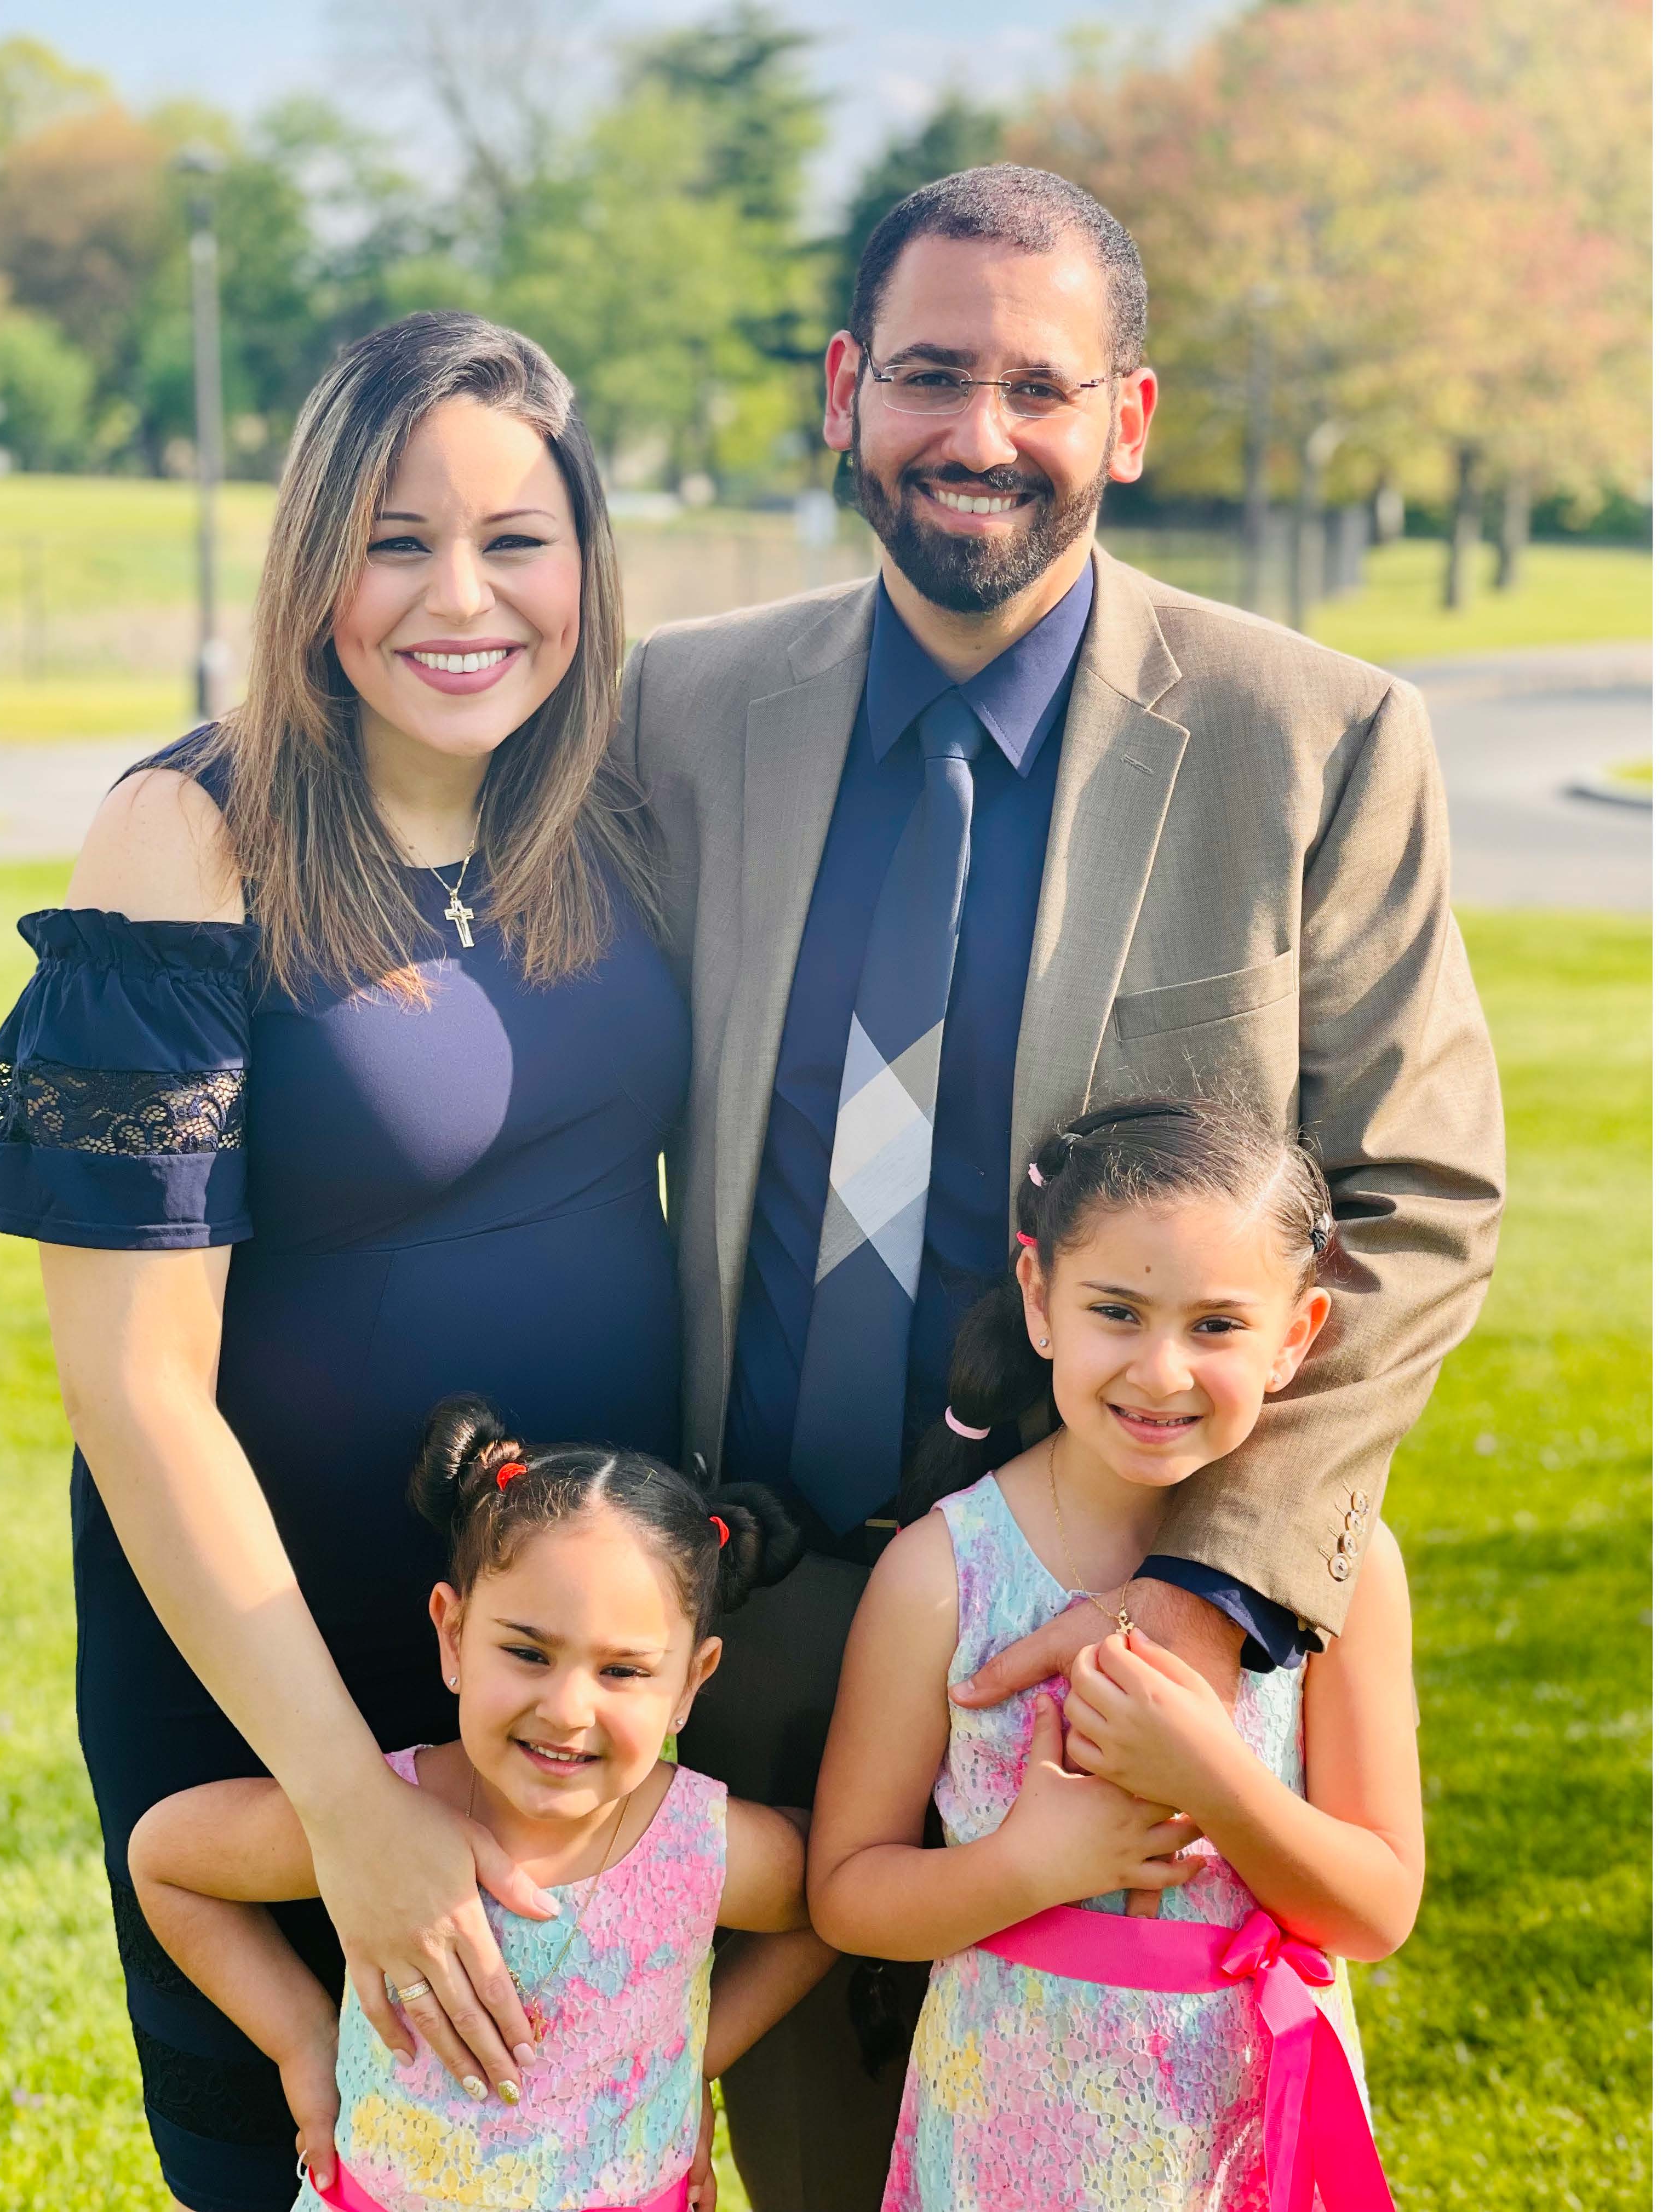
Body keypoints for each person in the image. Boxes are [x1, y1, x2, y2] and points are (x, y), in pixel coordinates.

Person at [614, 164, 1500, 2204]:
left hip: (1125, 1635)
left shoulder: (1319, 739)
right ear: (847, 391)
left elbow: (1429, 1190)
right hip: (771, 1603)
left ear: (1129, 416)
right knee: (832, 2168)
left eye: (1040, 383)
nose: (978, 433)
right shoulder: (680, 709)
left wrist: (1208, 1598)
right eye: (929, 374)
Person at [0, 313, 695, 2211]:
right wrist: (350, 1802)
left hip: (577, 1659)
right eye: (395, 538)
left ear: (586, 566)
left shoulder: (613, 802)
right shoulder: (184, 838)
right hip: (282, 1662)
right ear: (312, 560)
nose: (459, 597)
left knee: (589, 2146)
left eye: (514, 539)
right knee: (316, 2156)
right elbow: (134, 1386)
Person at [808, 1099, 1422, 2211]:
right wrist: (1035, 1866)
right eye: (1119, 1312)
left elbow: (1376, 1910)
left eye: (1218, 1327)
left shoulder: (1343, 1571)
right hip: (1009, 2131)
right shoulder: (945, 1573)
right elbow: (848, 1894)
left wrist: (1214, 1778)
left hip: (1246, 2135)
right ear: (1040, 1299)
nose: (1161, 1370)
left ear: (1296, 1337)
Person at [128, 1396, 834, 2212]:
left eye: (624, 1671)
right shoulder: (380, 1818)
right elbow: (168, 1862)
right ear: (453, 1632)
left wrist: (693, 2061)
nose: (569, 1708)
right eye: (529, 1651)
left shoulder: (699, 1846)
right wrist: (301, 2040)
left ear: (691, 1682)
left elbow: (834, 1897)